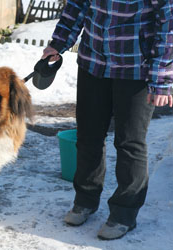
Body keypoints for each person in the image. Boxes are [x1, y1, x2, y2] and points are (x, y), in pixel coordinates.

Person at [42, 0, 173, 240]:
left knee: (129, 142)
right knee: (88, 135)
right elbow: (77, 5)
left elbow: (169, 23)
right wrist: (58, 44)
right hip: (94, 62)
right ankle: (85, 200)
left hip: (136, 66)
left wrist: (161, 78)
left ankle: (124, 213)